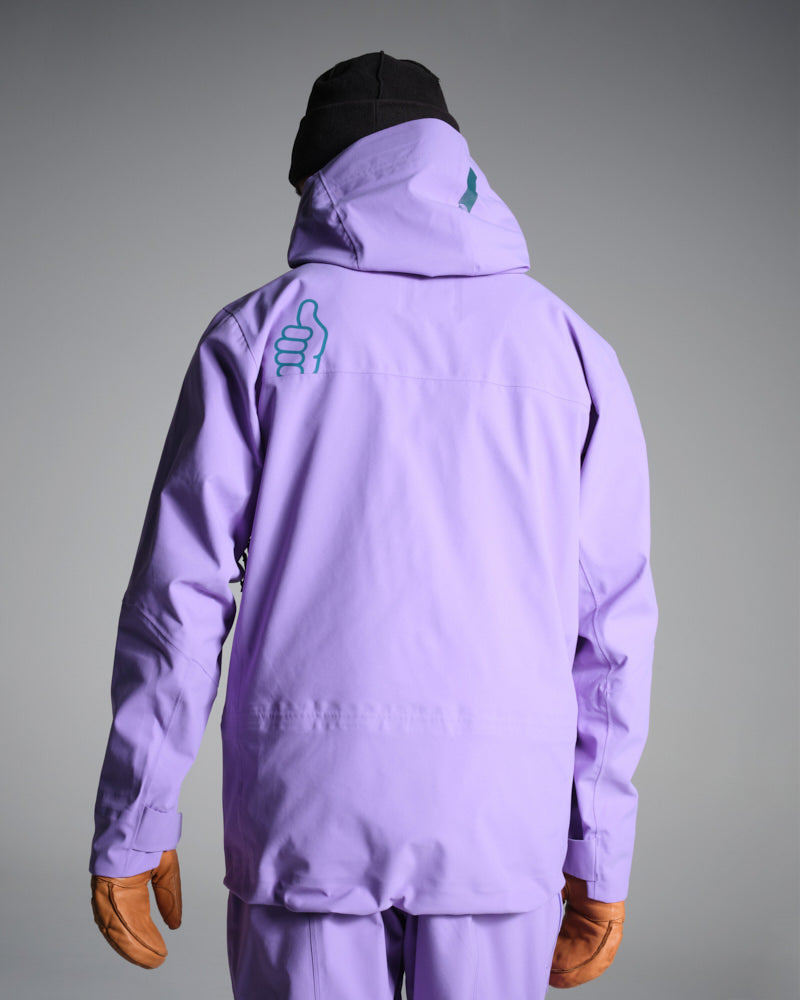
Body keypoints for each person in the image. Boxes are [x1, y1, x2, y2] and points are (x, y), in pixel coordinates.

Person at [89, 51, 657, 999]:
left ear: (320, 178)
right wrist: (599, 852)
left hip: (304, 813)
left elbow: (177, 599)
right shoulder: (569, 349)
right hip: (496, 824)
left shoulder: (259, 335)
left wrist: (135, 818)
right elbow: (614, 629)